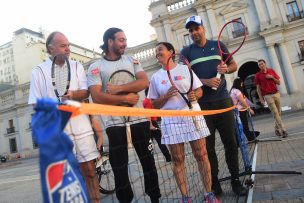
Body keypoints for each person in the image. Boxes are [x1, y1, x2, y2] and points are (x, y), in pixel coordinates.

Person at [87, 27, 161, 203]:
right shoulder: (96, 67)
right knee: (119, 168)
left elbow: (143, 82)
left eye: (125, 39)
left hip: (139, 120)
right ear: (109, 42)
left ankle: (155, 198)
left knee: (148, 163)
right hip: (114, 124)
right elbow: (96, 97)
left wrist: (119, 90)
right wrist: (125, 98)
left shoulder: (132, 60)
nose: (125, 43)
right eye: (121, 40)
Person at [28, 31, 100, 202]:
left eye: (68, 45)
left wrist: (73, 94)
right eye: (63, 46)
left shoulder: (76, 66)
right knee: (66, 177)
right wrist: (53, 106)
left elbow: (85, 92)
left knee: (90, 170)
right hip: (59, 131)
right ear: (51, 49)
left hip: (82, 126)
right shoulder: (38, 71)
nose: (68, 49)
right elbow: (34, 103)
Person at [181, 15, 247, 196]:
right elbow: (184, 77)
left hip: (223, 102)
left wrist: (227, 69)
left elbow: (233, 65)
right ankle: (215, 184)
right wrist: (205, 81)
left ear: (203, 28)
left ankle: (235, 180)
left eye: (197, 28)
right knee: (207, 149)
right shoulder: (186, 52)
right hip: (202, 106)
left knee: (231, 143)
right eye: (191, 30)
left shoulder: (218, 46)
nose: (194, 32)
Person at [148, 42, 219, 203]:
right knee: (178, 159)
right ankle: (185, 197)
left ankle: (209, 193)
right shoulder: (155, 77)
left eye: (160, 49)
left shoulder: (185, 69)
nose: (157, 52)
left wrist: (195, 95)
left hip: (192, 115)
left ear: (171, 52)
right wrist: (165, 97)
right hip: (171, 120)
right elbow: (153, 104)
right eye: (156, 51)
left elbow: (199, 90)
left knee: (201, 155)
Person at [254, 59, 288, 138]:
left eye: (262, 64)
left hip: (276, 94)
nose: (261, 65)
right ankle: (283, 130)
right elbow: (258, 88)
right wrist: (261, 98)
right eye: (259, 65)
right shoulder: (257, 75)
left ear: (265, 64)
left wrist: (272, 77)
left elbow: (278, 82)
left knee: (278, 113)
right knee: (275, 113)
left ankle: (276, 128)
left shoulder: (271, 71)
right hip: (267, 96)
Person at [143, 88, 172, 162]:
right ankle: (168, 157)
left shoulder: (149, 100)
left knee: (153, 142)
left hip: (151, 122)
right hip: (150, 123)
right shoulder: (148, 101)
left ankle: (168, 157)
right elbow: (147, 114)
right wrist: (151, 125)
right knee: (157, 142)